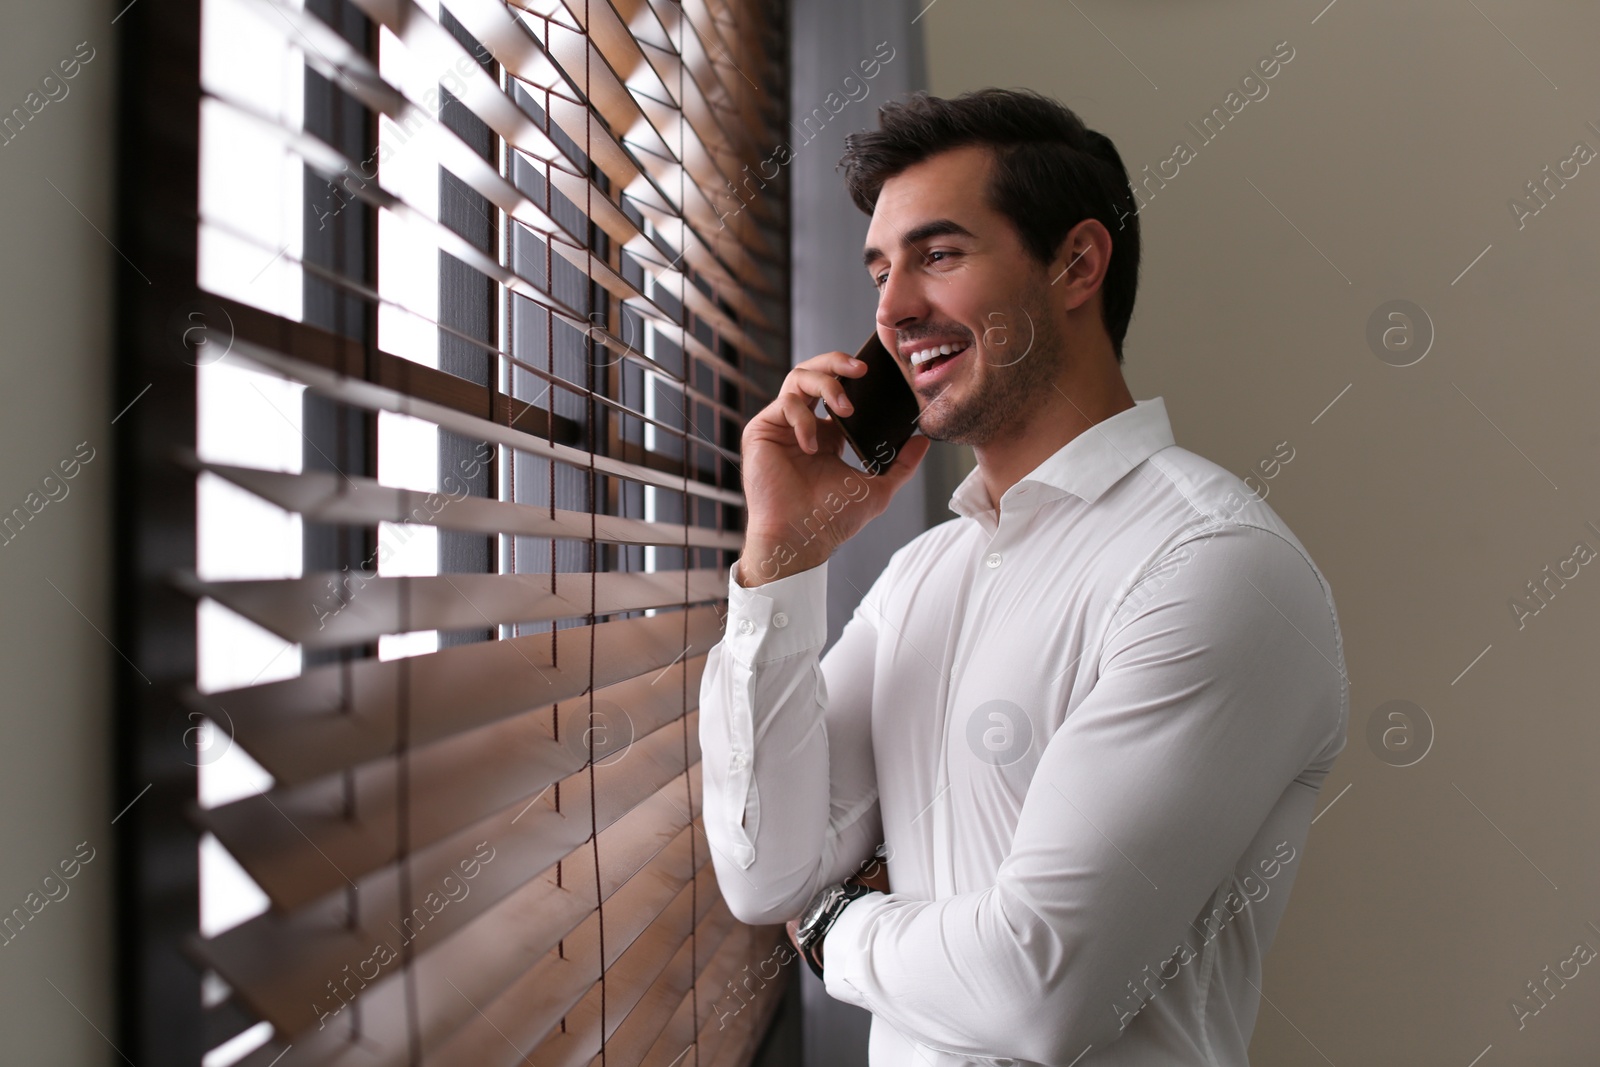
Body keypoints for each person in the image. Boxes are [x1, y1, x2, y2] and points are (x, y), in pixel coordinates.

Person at [698, 87, 1348, 1066]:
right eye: (880, 269)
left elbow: (1039, 989)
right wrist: (781, 561)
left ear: (1077, 263)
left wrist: (837, 932)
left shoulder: (1216, 569)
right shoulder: (925, 576)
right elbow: (762, 869)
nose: (892, 310)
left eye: (939, 254)